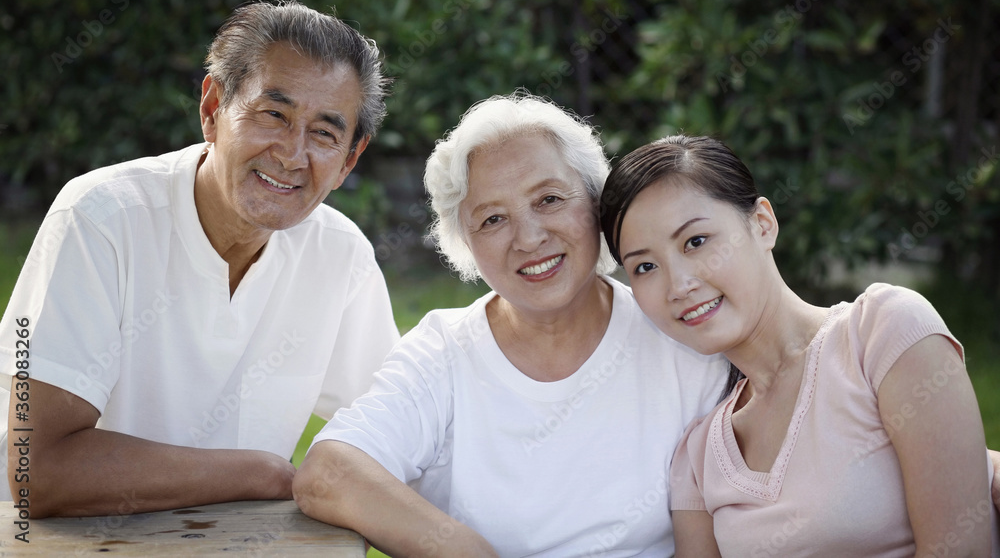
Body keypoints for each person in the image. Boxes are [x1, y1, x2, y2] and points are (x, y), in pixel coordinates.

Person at [0, 0, 399, 518]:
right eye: (273, 114)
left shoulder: (340, 255)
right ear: (212, 110)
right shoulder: (100, 218)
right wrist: (263, 474)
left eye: (324, 133)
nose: (291, 154)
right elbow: (37, 469)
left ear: (349, 159)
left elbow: (399, 435)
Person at [293, 93, 730, 556]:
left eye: (549, 199)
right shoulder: (441, 353)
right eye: (493, 218)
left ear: (596, 202)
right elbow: (328, 473)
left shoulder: (679, 337)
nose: (529, 238)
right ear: (465, 241)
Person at [599, 134, 999, 557]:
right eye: (645, 266)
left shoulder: (881, 333)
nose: (679, 285)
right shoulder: (697, 458)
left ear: (762, 224)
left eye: (696, 241)